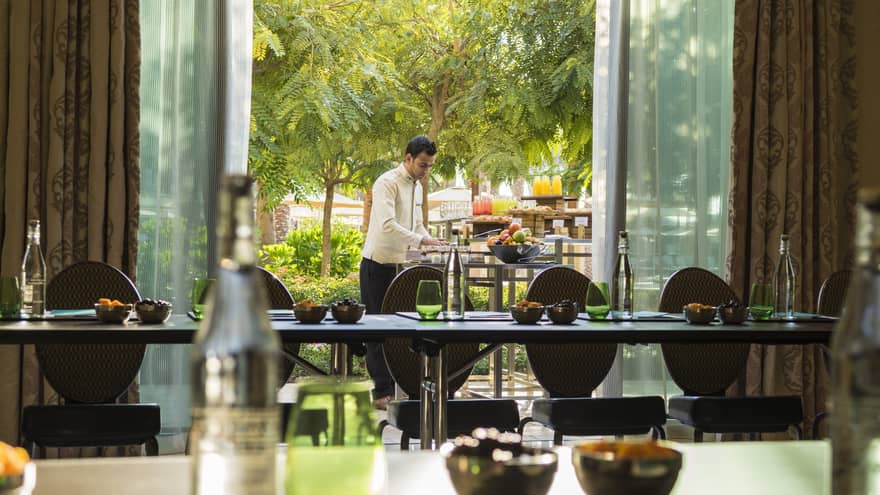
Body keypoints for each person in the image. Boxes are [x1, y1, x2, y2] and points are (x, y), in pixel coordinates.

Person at [360, 135, 447, 409]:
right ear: (408, 158)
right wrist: (420, 240)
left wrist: (430, 239)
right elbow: (387, 225)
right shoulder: (386, 183)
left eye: (430, 166)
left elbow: (417, 225)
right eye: (423, 165)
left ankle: (409, 388)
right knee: (376, 330)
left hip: (402, 265)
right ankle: (381, 392)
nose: (426, 171)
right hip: (377, 264)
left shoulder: (417, 187)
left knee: (406, 327)